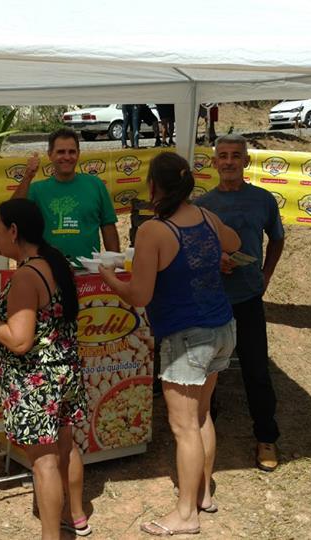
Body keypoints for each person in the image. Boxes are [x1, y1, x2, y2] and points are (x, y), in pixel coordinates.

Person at [98, 152, 241, 537]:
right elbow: (234, 240)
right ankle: (203, 495)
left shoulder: (153, 231)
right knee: (201, 416)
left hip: (187, 337)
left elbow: (139, 295)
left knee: (184, 427)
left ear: (153, 187)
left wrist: (109, 278)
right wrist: (212, 255)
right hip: (221, 328)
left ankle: (185, 514)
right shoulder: (206, 216)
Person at [0, 199, 91, 540]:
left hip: (36, 381)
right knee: (66, 446)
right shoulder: (53, 260)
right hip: (63, 371)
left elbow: (19, 340)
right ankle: (76, 516)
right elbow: (4, 248)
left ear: (13, 231)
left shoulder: (26, 277)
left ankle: (51, 536)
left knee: (44, 461)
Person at [194, 133, 285, 472]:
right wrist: (213, 260)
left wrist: (266, 275)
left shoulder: (263, 200)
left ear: (246, 161)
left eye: (235, 155)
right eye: (223, 156)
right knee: (208, 370)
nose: (229, 161)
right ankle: (205, 433)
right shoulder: (203, 205)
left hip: (248, 298)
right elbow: (193, 250)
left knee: (256, 369)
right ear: (214, 162)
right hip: (211, 301)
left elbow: (277, 239)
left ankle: (266, 436)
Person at [12, 127, 120, 261]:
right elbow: (11, 215)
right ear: (50, 154)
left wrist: (115, 264)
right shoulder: (36, 189)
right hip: (47, 269)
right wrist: (28, 176)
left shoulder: (96, 185)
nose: (67, 157)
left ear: (78, 154)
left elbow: (108, 227)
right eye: (61, 152)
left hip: (88, 269)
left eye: (72, 152)